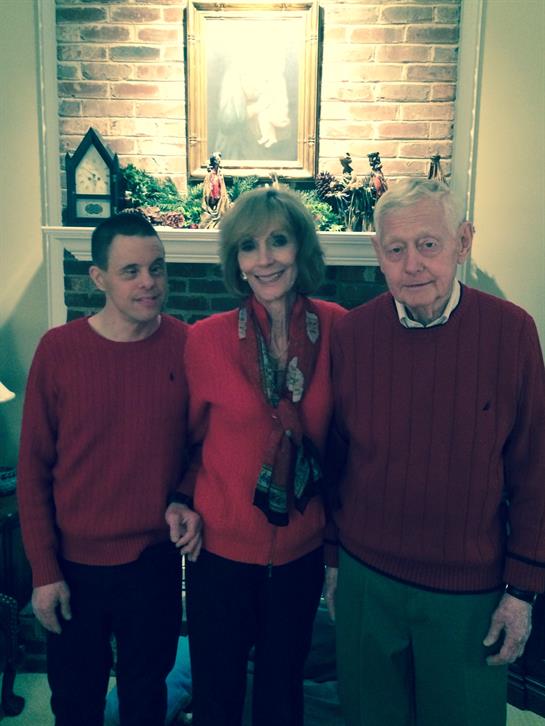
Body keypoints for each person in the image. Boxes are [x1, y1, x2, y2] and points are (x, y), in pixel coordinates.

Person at [324, 178, 545, 726]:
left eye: (428, 244)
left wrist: (522, 592)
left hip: (467, 593)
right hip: (366, 578)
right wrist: (333, 562)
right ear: (378, 254)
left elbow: (535, 471)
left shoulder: (512, 333)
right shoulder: (353, 335)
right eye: (396, 249)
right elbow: (337, 459)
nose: (412, 265)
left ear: (462, 243)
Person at [17, 212, 201, 726]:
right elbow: (33, 469)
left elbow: (203, 446)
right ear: (98, 278)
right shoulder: (59, 350)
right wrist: (44, 572)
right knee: (76, 703)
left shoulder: (188, 346)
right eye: (131, 271)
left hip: (154, 565)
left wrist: (183, 496)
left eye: (157, 268)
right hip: (74, 568)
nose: (149, 282)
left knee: (146, 698)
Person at [180, 187, 345, 726]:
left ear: (301, 249)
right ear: (236, 262)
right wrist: (179, 499)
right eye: (248, 246)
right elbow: (188, 442)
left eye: (278, 240)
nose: (265, 258)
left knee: (282, 691)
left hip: (301, 551)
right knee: (217, 693)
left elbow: (346, 445)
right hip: (219, 552)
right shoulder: (205, 340)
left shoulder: (340, 329)